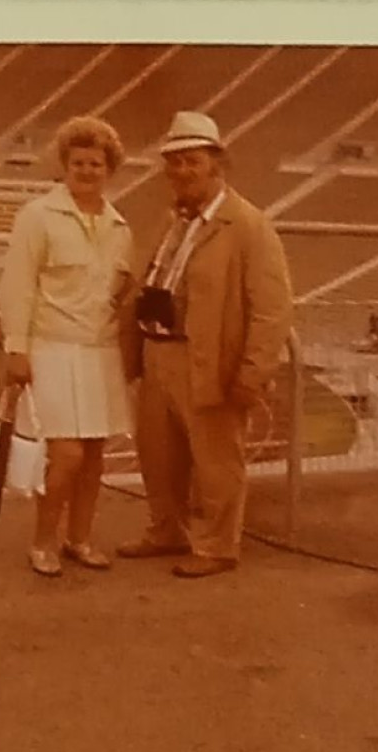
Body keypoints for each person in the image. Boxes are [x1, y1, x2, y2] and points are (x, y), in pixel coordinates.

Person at [117, 111, 294, 578]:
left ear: (217, 163)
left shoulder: (249, 226)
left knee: (217, 461)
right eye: (173, 163)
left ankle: (218, 546)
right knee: (158, 454)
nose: (180, 172)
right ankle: (166, 531)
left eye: (191, 161)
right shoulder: (168, 220)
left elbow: (271, 309)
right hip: (157, 353)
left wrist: (251, 375)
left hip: (208, 359)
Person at [0, 116, 135, 577]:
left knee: (94, 455)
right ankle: (42, 541)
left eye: (96, 163)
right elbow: (17, 285)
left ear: (109, 168)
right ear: (65, 164)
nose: (87, 170)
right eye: (78, 161)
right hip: (52, 348)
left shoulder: (120, 227)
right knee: (67, 455)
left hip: (100, 351)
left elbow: (118, 290)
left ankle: (79, 538)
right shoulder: (37, 216)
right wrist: (17, 348)